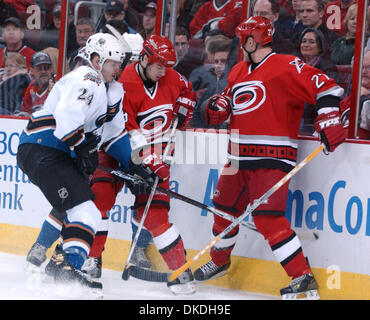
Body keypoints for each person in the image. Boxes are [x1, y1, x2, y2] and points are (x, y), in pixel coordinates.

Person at [193, 16, 346, 300]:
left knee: (268, 218)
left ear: (253, 41)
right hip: (237, 158)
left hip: (272, 157)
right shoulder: (238, 70)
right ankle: (219, 260)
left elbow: (327, 87)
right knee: (224, 210)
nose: (241, 44)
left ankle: (302, 277)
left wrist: (328, 118)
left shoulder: (286, 65)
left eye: (243, 39)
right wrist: (219, 104)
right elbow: (229, 101)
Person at [17, 33, 134, 294]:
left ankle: (62, 264)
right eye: (113, 63)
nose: (119, 69)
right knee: (86, 212)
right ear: (96, 60)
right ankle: (68, 269)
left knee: (84, 210)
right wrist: (84, 148)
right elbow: (68, 118)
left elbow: (114, 134)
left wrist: (133, 165)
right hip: (46, 149)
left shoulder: (107, 89)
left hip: (44, 151)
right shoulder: (88, 77)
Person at [114, 35, 196, 294]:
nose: (164, 71)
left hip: (160, 153)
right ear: (145, 58)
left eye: (167, 66)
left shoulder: (170, 76)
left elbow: (187, 87)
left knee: (155, 214)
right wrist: (148, 159)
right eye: (159, 65)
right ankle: (83, 259)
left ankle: (181, 271)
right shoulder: (124, 83)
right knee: (99, 200)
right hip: (125, 153)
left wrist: (186, 102)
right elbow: (127, 128)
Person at [190, 39, 232, 128]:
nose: (219, 65)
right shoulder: (203, 79)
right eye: (216, 61)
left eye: (223, 61)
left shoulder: (232, 82)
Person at [340, 49, 370, 140]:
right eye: (362, 67)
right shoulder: (354, 96)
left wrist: (364, 99)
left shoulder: (361, 96)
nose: (364, 72)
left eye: (369, 68)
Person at [20, 51, 54, 115]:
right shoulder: (31, 87)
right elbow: (25, 111)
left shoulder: (57, 85)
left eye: (46, 68)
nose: (43, 71)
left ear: (51, 69)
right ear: (32, 71)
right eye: (39, 68)